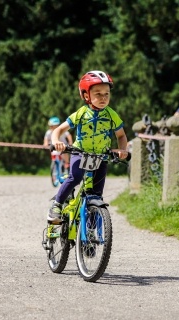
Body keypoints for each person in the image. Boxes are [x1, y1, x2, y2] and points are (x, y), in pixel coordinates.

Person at [47, 70, 128, 223]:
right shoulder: (82, 113)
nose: (103, 98)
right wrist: (56, 140)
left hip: (101, 157)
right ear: (86, 96)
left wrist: (122, 150)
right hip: (80, 153)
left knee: (96, 195)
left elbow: (121, 135)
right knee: (75, 177)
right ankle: (56, 205)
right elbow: (59, 129)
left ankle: (90, 239)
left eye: (106, 94)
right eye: (98, 94)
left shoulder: (112, 115)